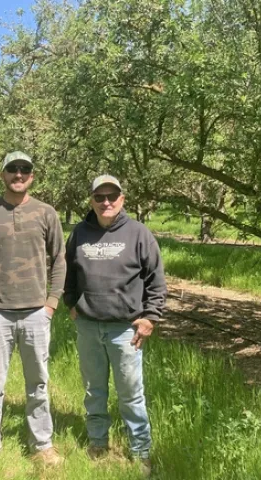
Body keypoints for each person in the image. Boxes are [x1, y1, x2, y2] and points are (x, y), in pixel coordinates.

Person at [63, 175, 167, 477]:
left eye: (112, 196)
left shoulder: (139, 233)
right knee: (93, 390)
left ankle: (141, 450)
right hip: (88, 326)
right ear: (91, 200)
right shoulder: (79, 233)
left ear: (122, 199)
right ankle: (98, 442)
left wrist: (150, 317)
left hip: (125, 329)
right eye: (99, 197)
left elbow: (155, 280)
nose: (106, 202)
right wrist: (71, 302)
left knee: (131, 393)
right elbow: (68, 271)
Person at [0, 151, 66, 469]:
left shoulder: (46, 213)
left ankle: (42, 445)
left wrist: (51, 304)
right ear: (2, 175)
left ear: (32, 176)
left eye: (25, 170)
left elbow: (60, 260)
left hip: (37, 312)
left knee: (38, 383)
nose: (18, 174)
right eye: (13, 169)